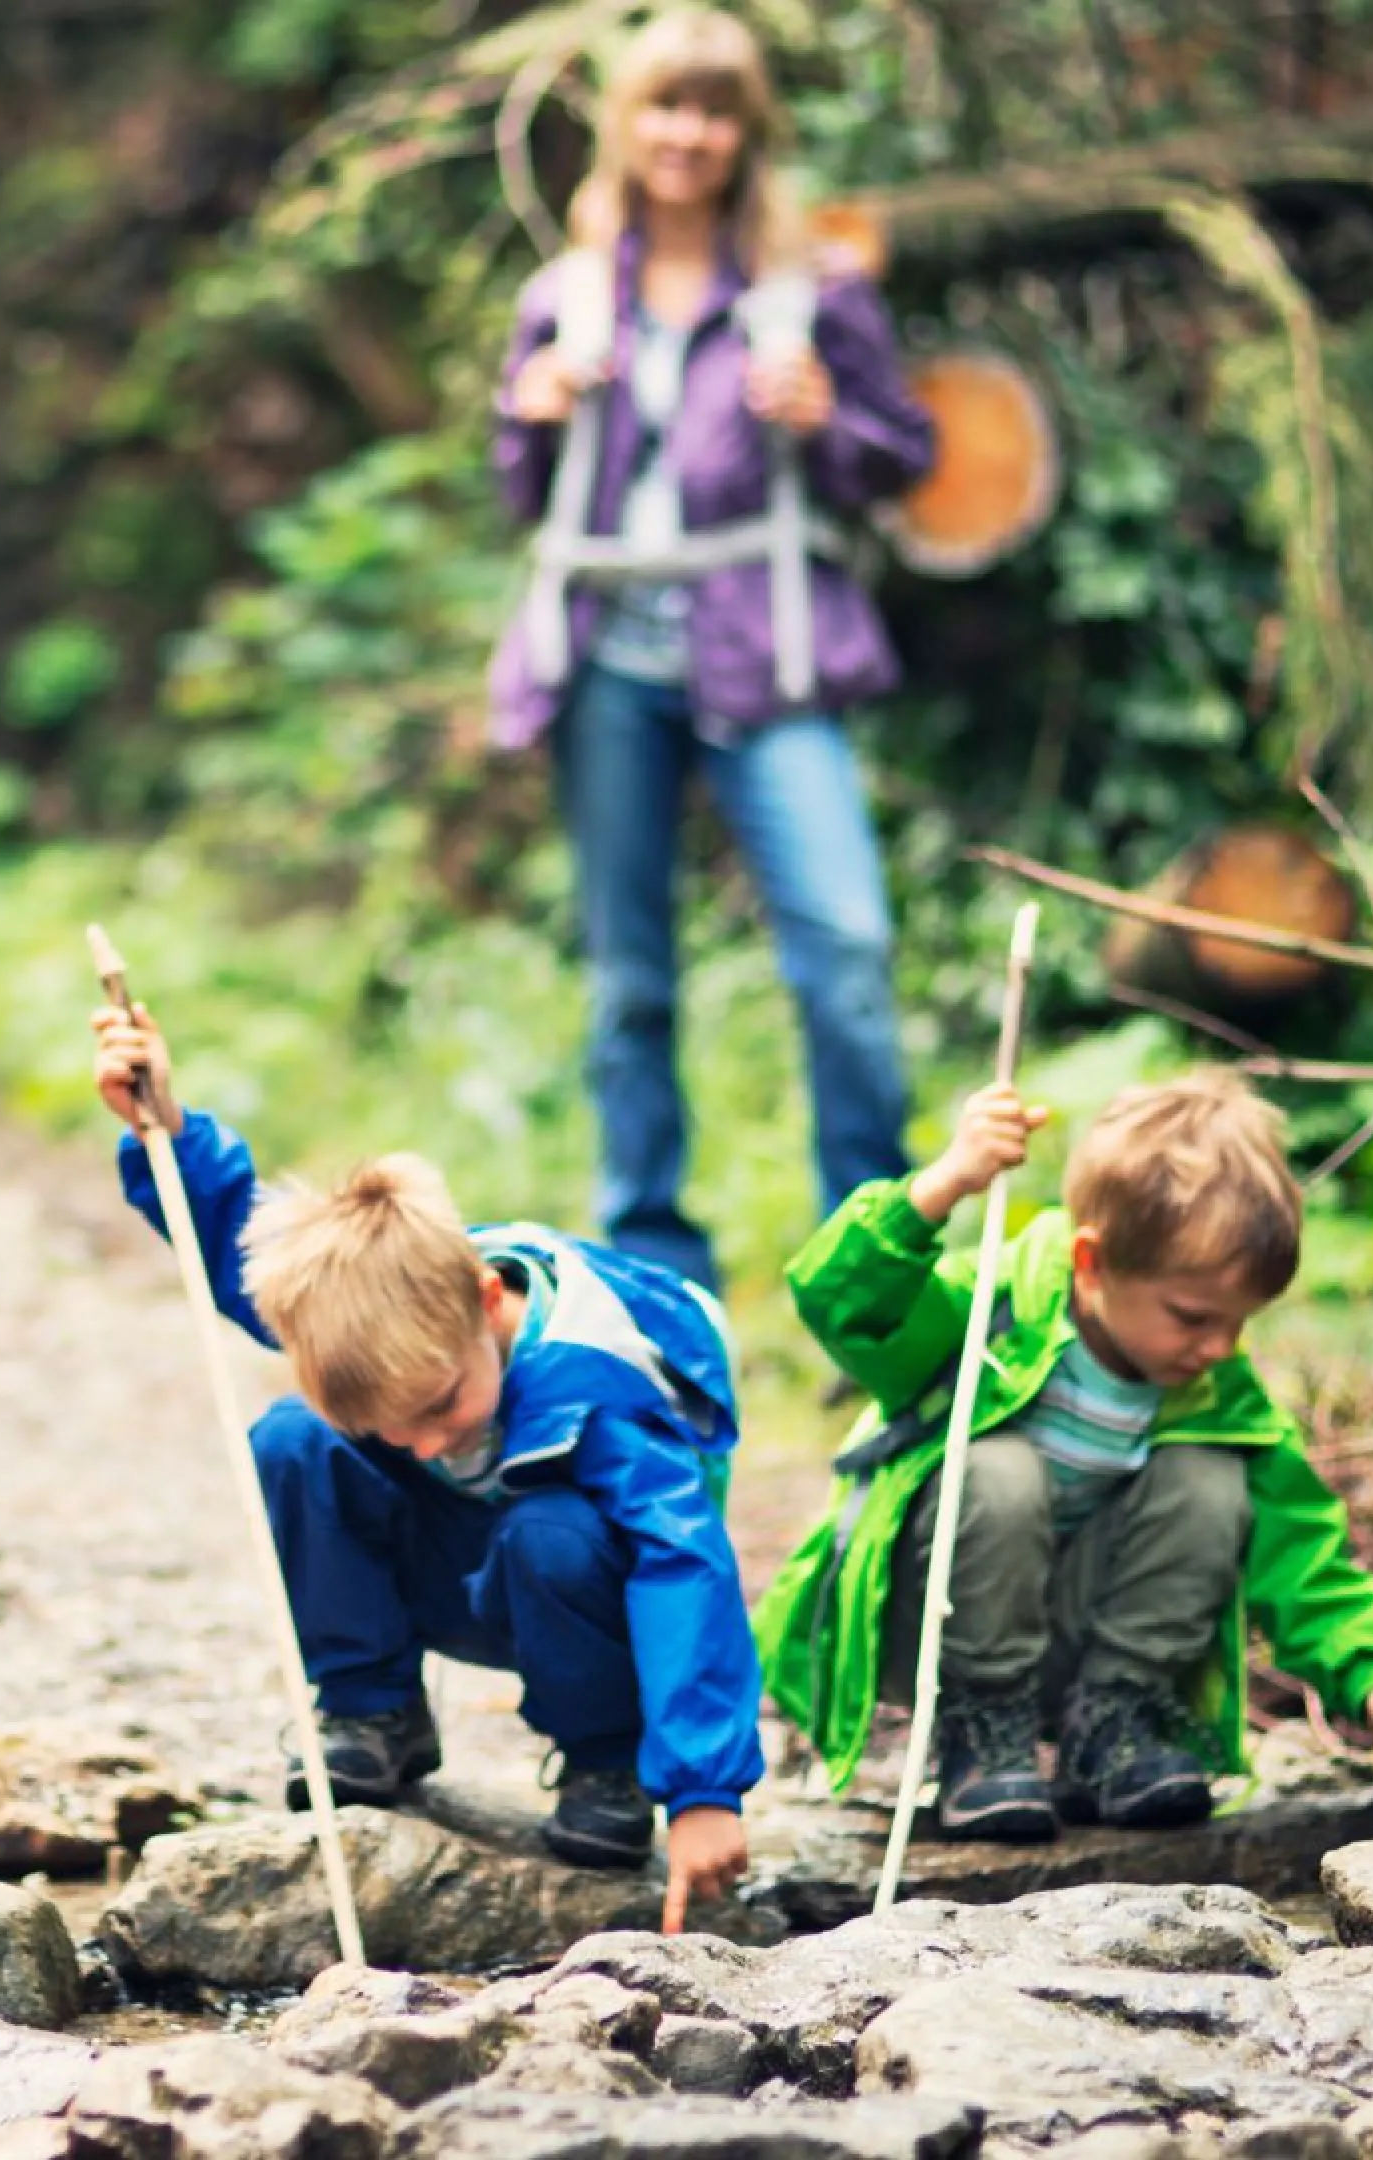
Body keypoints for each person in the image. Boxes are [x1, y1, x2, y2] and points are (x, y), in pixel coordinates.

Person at [91, 1004, 763, 1907]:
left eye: (442, 1405)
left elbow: (684, 1566)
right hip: (447, 1570)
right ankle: (372, 1709)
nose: (425, 1441)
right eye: (390, 1428)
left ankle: (604, 1763)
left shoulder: (597, 1389)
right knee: (293, 1439)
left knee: (552, 1532)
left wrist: (703, 1790)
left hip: (574, 1601)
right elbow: (237, 1247)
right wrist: (165, 1128)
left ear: (489, 1302)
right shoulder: (382, 1320)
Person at [484, 6, 941, 1296]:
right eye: (664, 107)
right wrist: (530, 414)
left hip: (767, 651)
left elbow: (901, 456)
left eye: (714, 109)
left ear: (747, 132)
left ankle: (871, 1256)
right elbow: (523, 494)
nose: (687, 133)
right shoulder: (563, 295)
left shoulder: (814, 291)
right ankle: (650, 1264)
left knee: (847, 950)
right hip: (607, 666)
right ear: (625, 127)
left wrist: (827, 413)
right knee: (630, 979)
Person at [753, 1070, 1373, 1842]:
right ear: (1091, 1263)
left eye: (1238, 1323)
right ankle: (983, 1736)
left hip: (1087, 1635)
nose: (1218, 1347)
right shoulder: (995, 1308)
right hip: (947, 1625)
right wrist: (944, 1184)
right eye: (1191, 1317)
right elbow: (841, 1301)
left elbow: (1301, 1551)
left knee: (1213, 1481)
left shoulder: (1214, 1390)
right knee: (1002, 1472)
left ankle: (1112, 1725)